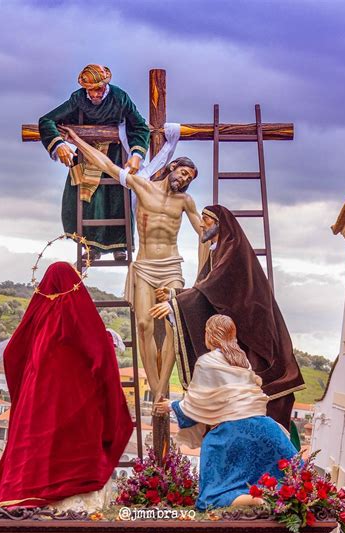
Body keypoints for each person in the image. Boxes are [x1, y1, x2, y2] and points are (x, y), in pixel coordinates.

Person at [0, 262, 133, 533]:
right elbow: (97, 352)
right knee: (71, 450)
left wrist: (25, 388)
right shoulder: (75, 310)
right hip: (74, 405)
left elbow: (12, 353)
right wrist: (107, 342)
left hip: (36, 406)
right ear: (76, 284)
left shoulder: (38, 315)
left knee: (35, 451)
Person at [61, 126, 202, 403]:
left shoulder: (186, 201)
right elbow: (106, 164)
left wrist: (219, 239)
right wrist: (77, 140)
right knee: (143, 324)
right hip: (145, 266)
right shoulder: (142, 185)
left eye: (190, 178)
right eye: (183, 173)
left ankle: (162, 391)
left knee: (175, 323)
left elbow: (203, 231)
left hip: (171, 266)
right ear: (173, 167)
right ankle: (155, 386)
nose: (185, 179)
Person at [150, 204, 305, 431]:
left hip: (253, 333)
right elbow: (206, 289)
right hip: (242, 329)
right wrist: (176, 296)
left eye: (207, 220)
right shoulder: (219, 251)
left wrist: (174, 305)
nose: (202, 224)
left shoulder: (231, 251)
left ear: (220, 224)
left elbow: (215, 288)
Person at [155, 315, 297, 509]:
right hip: (265, 428)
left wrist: (171, 406)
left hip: (229, 432)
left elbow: (197, 401)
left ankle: (254, 499)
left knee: (210, 499)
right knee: (288, 480)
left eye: (206, 331)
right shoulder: (242, 360)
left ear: (211, 335)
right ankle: (263, 496)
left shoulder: (207, 361)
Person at [39, 64, 150, 261]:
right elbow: (47, 120)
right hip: (86, 153)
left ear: (105, 85)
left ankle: (120, 247)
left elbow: (140, 127)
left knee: (117, 198)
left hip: (116, 156)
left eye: (98, 89)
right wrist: (59, 145)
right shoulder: (78, 99)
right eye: (90, 90)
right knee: (88, 201)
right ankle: (91, 247)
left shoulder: (120, 97)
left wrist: (136, 154)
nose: (95, 94)